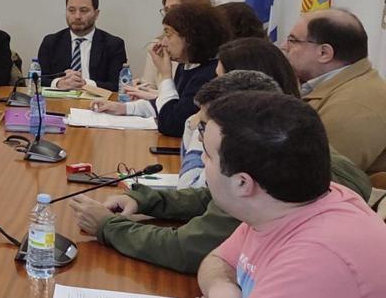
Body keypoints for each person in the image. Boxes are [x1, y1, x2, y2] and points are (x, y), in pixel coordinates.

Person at [70, 71, 370, 274]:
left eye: (204, 128)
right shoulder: (299, 150)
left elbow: (186, 249)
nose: (199, 140)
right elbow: (211, 200)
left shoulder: (270, 183)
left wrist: (108, 227)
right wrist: (147, 200)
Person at [192, 91, 386, 298]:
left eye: (207, 155)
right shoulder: (283, 205)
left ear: (242, 183)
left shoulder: (318, 259)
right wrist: (224, 291)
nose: (203, 162)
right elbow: (217, 261)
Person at [172, 37, 301, 188]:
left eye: (220, 77)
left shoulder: (262, 138)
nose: (213, 83)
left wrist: (203, 129)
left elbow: (188, 186)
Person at [93, 2, 227, 137]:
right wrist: (124, 108)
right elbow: (169, 106)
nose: (163, 42)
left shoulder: (208, 74)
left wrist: (166, 76)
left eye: (168, 35)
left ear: (190, 37)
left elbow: (172, 123)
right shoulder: (187, 66)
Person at [282, 8, 386, 173]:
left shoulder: (353, 106)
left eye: (292, 40)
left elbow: (311, 174)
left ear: (324, 53)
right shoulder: (346, 85)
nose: (284, 47)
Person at [36, 0, 128, 91]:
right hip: (59, 103)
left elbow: (118, 85)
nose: (77, 16)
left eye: (83, 11)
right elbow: (37, 79)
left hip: (97, 103)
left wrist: (85, 83)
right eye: (71, 10)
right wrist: (59, 83)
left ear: (96, 14)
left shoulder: (113, 45)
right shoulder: (51, 42)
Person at [139, 0, 211, 85]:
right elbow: (147, 84)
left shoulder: (206, 58)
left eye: (175, 8)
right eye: (166, 10)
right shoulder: (157, 46)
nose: (169, 14)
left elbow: (180, 98)